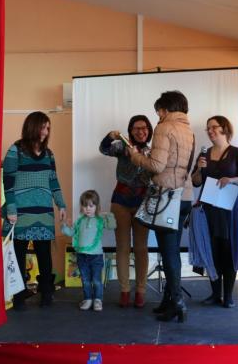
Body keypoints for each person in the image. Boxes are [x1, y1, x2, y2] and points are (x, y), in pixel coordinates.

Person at [128, 90, 194, 323]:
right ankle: (168, 300)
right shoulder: (188, 130)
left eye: (159, 111)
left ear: (166, 109)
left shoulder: (165, 128)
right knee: (172, 249)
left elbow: (156, 165)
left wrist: (135, 156)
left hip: (167, 197)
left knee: (169, 252)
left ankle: (176, 302)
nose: (157, 116)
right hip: (184, 196)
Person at [2, 111, 67, 310]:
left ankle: (46, 293)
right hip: (21, 212)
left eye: (48, 128)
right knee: (19, 254)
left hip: (44, 212)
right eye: (43, 127)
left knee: (44, 254)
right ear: (33, 126)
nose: (46, 132)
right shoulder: (16, 150)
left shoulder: (49, 154)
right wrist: (11, 208)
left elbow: (53, 180)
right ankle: (19, 296)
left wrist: (61, 204)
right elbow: (8, 182)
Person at [192, 116, 238, 308]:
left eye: (213, 127)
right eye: (207, 128)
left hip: (230, 210)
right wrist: (199, 170)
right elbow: (195, 182)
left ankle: (228, 295)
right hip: (209, 209)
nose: (210, 131)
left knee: (228, 250)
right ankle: (215, 293)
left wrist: (232, 179)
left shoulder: (237, 153)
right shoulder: (204, 154)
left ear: (224, 128)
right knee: (212, 250)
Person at [99, 115, 153, 308]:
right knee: (122, 247)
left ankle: (140, 291)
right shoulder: (123, 146)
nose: (141, 131)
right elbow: (104, 149)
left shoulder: (154, 151)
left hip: (143, 203)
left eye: (144, 128)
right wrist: (109, 136)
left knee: (141, 248)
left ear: (149, 130)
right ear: (130, 131)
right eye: (137, 128)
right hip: (120, 202)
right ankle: (124, 291)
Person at [63, 190, 116, 312]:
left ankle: (98, 299)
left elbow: (112, 226)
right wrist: (65, 225)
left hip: (96, 256)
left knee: (96, 280)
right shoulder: (79, 221)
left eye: (91, 206)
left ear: (96, 206)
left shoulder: (99, 220)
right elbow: (71, 233)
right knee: (85, 280)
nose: (88, 208)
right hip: (82, 256)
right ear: (82, 206)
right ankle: (88, 299)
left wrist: (109, 215)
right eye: (85, 205)